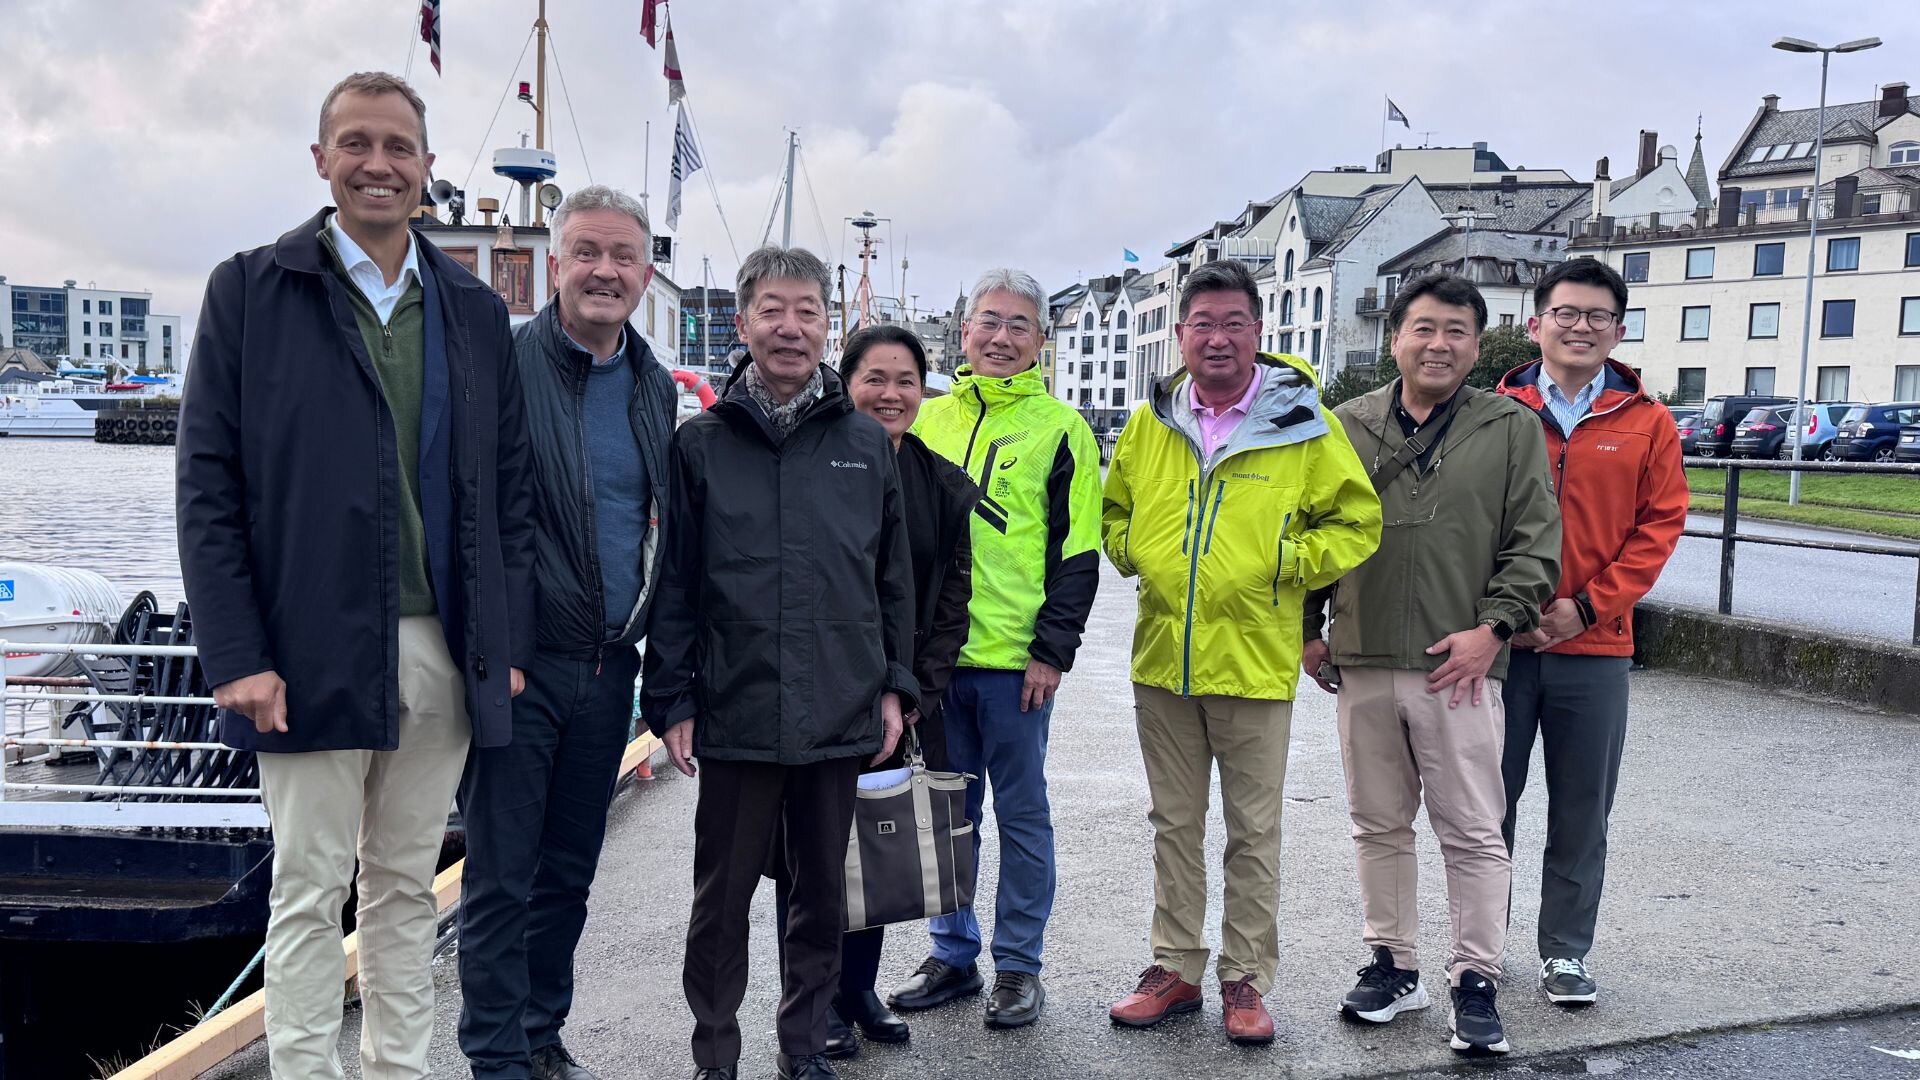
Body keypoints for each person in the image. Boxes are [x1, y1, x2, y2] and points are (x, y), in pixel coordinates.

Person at [176, 71, 535, 1079]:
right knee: (308, 885)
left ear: (427, 169)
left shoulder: (468, 308)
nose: (379, 164)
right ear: (321, 158)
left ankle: (398, 1070)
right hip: (305, 646)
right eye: (357, 144)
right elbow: (209, 488)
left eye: (399, 148)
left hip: (440, 645)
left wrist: (499, 650)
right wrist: (236, 654)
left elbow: (505, 495)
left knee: (405, 885)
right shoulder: (251, 290)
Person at [641, 245, 919, 1080]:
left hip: (839, 711)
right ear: (744, 321)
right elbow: (676, 581)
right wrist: (672, 697)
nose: (791, 328)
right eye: (773, 310)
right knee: (720, 904)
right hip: (735, 708)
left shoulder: (866, 447)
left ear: (829, 324)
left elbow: (892, 582)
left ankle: (803, 1045)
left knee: (820, 900)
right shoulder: (703, 446)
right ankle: (714, 1053)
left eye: (807, 311)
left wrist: (895, 689)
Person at [1100, 260, 1381, 1044]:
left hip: (1255, 658)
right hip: (1164, 658)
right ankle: (1175, 969)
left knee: (1252, 832)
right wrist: (1138, 552)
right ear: (1180, 335)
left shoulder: (1302, 424)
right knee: (1173, 824)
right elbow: (1113, 507)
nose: (1217, 338)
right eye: (1203, 325)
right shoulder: (1151, 422)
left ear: (1259, 333)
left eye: (1233, 324)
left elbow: (1357, 523)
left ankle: (1246, 978)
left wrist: (1285, 566)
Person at [1300, 272, 1560, 1057]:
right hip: (1365, 653)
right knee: (1378, 823)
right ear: (1395, 338)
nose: (1438, 343)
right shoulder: (1344, 424)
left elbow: (1534, 544)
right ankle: (1393, 963)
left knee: (1474, 829)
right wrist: (1310, 629)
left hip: (1461, 662)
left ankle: (1476, 979)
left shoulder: (1509, 427)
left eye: (1455, 331)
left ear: (1478, 346)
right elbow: (1312, 528)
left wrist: (1495, 630)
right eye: (1424, 328)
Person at [457, 185, 679, 1080]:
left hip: (607, 667)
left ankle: (542, 1033)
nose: (604, 270)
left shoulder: (654, 387)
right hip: (522, 666)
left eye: (623, 256)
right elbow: (470, 517)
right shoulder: (505, 368)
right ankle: (494, 1055)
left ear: (645, 273)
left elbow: (662, 530)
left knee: (568, 873)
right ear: (556, 264)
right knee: (501, 875)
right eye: (586, 251)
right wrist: (491, 654)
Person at [888, 269, 1103, 1030]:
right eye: (989, 322)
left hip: (1016, 666)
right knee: (947, 816)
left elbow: (1079, 553)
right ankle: (953, 954)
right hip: (937, 664)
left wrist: (1053, 650)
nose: (1002, 337)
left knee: (1021, 817)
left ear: (1041, 340)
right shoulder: (928, 420)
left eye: (1019, 325)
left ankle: (1017, 965)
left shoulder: (1062, 428)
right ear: (964, 331)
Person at [772, 324, 978, 1060]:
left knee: (879, 845)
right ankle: (811, 999)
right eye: (874, 378)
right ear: (844, 380)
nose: (891, 395)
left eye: (907, 381)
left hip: (902, 699)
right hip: (817, 691)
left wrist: (919, 690)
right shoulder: (811, 463)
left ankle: (857, 989)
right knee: (808, 855)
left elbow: (953, 598)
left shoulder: (942, 484)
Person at [1494, 257, 1688, 1005]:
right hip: (1502, 650)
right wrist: (1503, 615)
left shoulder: (1648, 421)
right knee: (1487, 807)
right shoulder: (1495, 412)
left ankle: (1566, 953)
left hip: (1596, 650)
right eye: (1566, 313)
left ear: (1619, 328)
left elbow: (1658, 528)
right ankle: (1480, 948)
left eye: (1597, 316)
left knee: (1582, 809)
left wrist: (1587, 607)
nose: (1580, 327)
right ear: (1535, 322)